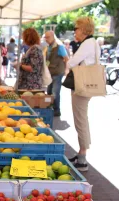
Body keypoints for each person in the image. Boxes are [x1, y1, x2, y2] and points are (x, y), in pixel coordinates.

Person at [67, 17, 101, 171]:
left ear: (84, 29)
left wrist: (68, 61)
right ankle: (81, 152)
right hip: (87, 86)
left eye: (77, 28)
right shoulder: (93, 43)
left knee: (80, 120)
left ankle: (82, 158)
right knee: (82, 119)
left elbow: (71, 62)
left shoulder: (87, 44)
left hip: (82, 87)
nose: (75, 31)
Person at [44, 31, 69, 117]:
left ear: (52, 36)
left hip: (58, 72)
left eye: (47, 37)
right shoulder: (48, 47)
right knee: (49, 91)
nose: (46, 39)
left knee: (55, 92)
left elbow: (66, 58)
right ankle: (50, 108)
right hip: (50, 73)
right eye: (45, 37)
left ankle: (56, 110)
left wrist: (66, 70)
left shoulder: (60, 47)